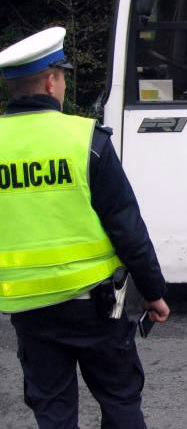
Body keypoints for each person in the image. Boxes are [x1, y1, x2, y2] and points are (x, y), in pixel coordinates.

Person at [0, 27, 170, 428]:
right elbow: (126, 227)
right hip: (96, 307)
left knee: (54, 414)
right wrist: (154, 292)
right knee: (120, 401)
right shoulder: (86, 139)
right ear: (51, 80)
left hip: (30, 310)